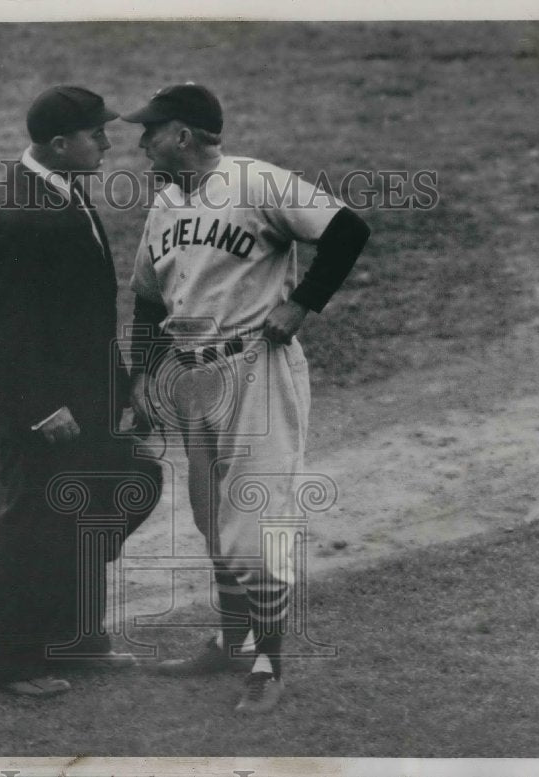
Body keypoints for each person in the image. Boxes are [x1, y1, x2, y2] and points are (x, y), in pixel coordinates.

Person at [122, 84, 371, 714]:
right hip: (191, 377)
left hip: (255, 367)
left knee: (254, 529)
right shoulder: (165, 204)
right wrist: (144, 376)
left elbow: (347, 229)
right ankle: (232, 640)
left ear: (183, 135)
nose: (141, 142)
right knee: (213, 523)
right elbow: (148, 299)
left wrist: (301, 302)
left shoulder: (257, 182)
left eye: (151, 131)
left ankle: (269, 663)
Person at [0, 85, 161, 697]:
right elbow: (4, 331)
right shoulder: (20, 214)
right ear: (58, 144)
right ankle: (1, 664)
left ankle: (74, 637)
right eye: (95, 134)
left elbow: (86, 316)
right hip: (48, 413)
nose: (107, 142)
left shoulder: (60, 191)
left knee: (110, 495)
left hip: (88, 400)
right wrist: (41, 408)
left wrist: (122, 385)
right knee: (37, 528)